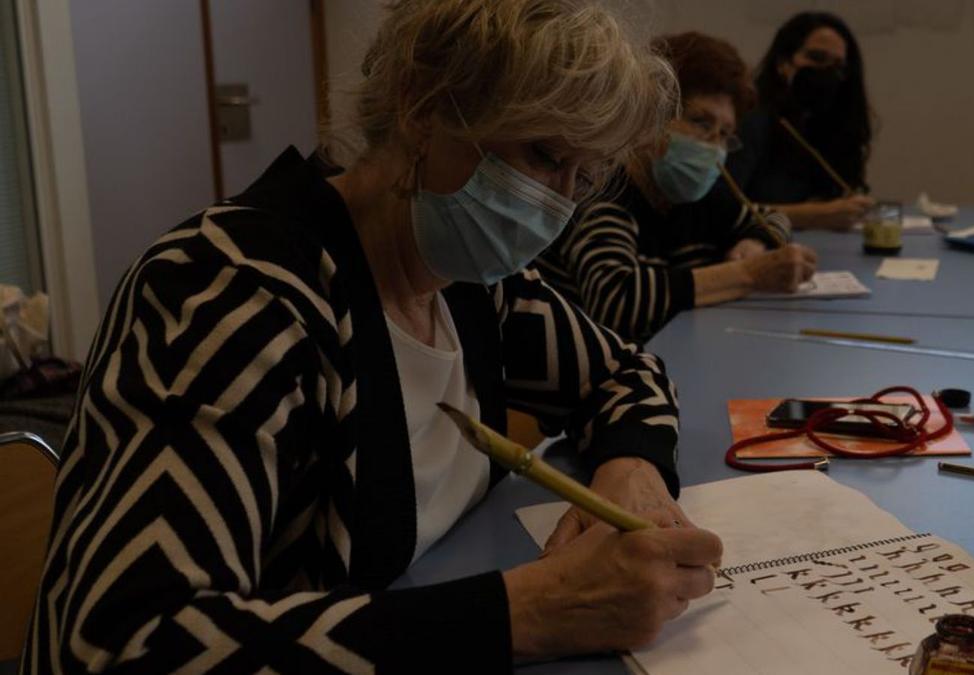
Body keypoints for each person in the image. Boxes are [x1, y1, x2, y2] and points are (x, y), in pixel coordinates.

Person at [21, 1, 724, 672]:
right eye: (541, 156)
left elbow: (627, 373)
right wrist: (530, 613)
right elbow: (122, 645)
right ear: (423, 108)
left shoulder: (472, 281)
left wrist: (631, 470)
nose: (554, 207)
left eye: (584, 179)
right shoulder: (226, 289)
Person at [535, 31, 818, 343]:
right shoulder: (606, 193)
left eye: (725, 134)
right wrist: (748, 274)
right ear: (651, 117)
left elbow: (772, 219)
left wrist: (754, 244)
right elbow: (616, 303)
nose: (713, 146)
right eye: (700, 123)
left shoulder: (698, 195)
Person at [726, 12, 876, 231]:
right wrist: (813, 215)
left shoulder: (826, 124)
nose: (827, 72)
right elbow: (724, 210)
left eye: (838, 66)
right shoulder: (752, 120)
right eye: (816, 58)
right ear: (783, 63)